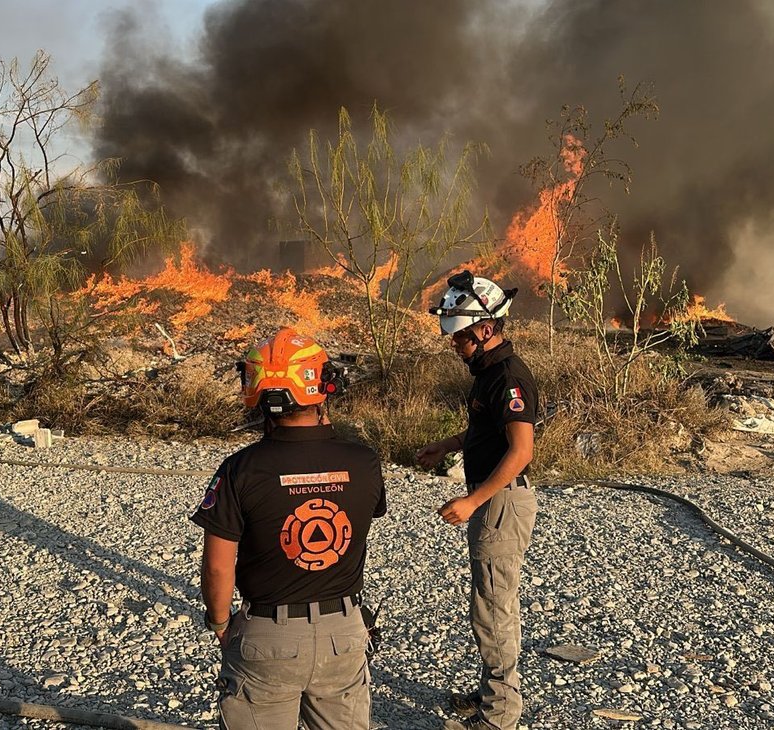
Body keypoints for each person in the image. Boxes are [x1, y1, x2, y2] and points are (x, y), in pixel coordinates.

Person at [191, 326, 387, 730]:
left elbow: (217, 567)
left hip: (266, 638)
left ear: (259, 393)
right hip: (345, 634)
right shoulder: (365, 463)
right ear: (323, 385)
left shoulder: (239, 470)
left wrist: (220, 623)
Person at [416, 270, 539, 730]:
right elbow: (487, 432)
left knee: (493, 609)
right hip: (494, 500)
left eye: (462, 338)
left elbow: (521, 450)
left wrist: (472, 502)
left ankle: (500, 714)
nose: (456, 345)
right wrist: (448, 446)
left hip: (502, 503)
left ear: (486, 330)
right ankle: (494, 693)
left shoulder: (508, 377)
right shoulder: (488, 374)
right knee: (490, 603)